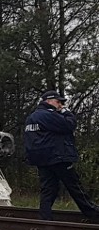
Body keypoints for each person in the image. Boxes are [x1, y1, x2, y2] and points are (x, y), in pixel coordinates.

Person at [24, 90, 99, 221]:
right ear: (48, 101)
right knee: (75, 186)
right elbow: (69, 125)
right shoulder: (48, 115)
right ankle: (94, 214)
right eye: (58, 102)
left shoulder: (31, 117)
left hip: (42, 160)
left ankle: (45, 218)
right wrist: (66, 112)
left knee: (48, 189)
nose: (61, 105)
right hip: (58, 157)